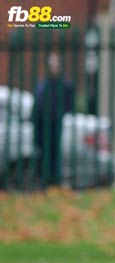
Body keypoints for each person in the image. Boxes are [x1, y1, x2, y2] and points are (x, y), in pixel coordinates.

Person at [32, 51, 74, 188]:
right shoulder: (42, 85)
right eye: (52, 64)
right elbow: (37, 106)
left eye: (56, 64)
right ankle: (45, 183)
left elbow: (69, 106)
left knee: (55, 156)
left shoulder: (65, 85)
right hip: (42, 127)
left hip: (56, 126)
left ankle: (54, 183)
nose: (54, 67)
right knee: (44, 156)